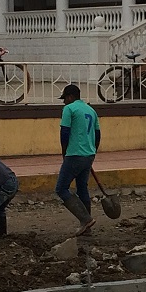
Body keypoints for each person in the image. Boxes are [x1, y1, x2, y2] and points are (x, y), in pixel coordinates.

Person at [56, 83, 100, 234]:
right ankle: (87, 226)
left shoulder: (69, 109)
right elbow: (98, 134)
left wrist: (64, 152)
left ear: (70, 97)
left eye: (65, 99)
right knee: (82, 189)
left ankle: (86, 219)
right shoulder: (91, 110)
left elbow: (65, 133)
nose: (64, 102)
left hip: (74, 154)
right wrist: (92, 152)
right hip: (88, 155)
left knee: (61, 188)